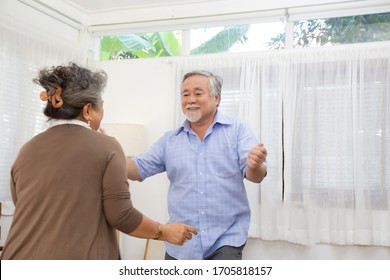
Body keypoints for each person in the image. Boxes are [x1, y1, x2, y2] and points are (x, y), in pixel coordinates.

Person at [0, 63, 197, 260]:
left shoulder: (27, 149)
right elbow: (121, 216)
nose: (102, 115)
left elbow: (27, 207)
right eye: (101, 106)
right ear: (87, 111)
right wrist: (163, 231)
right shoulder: (106, 146)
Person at [126, 70, 267, 260]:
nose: (190, 99)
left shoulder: (237, 131)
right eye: (185, 94)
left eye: (198, 93)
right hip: (181, 243)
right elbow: (136, 169)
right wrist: (105, 151)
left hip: (225, 239)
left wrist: (255, 165)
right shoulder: (170, 140)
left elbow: (256, 175)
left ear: (216, 98)